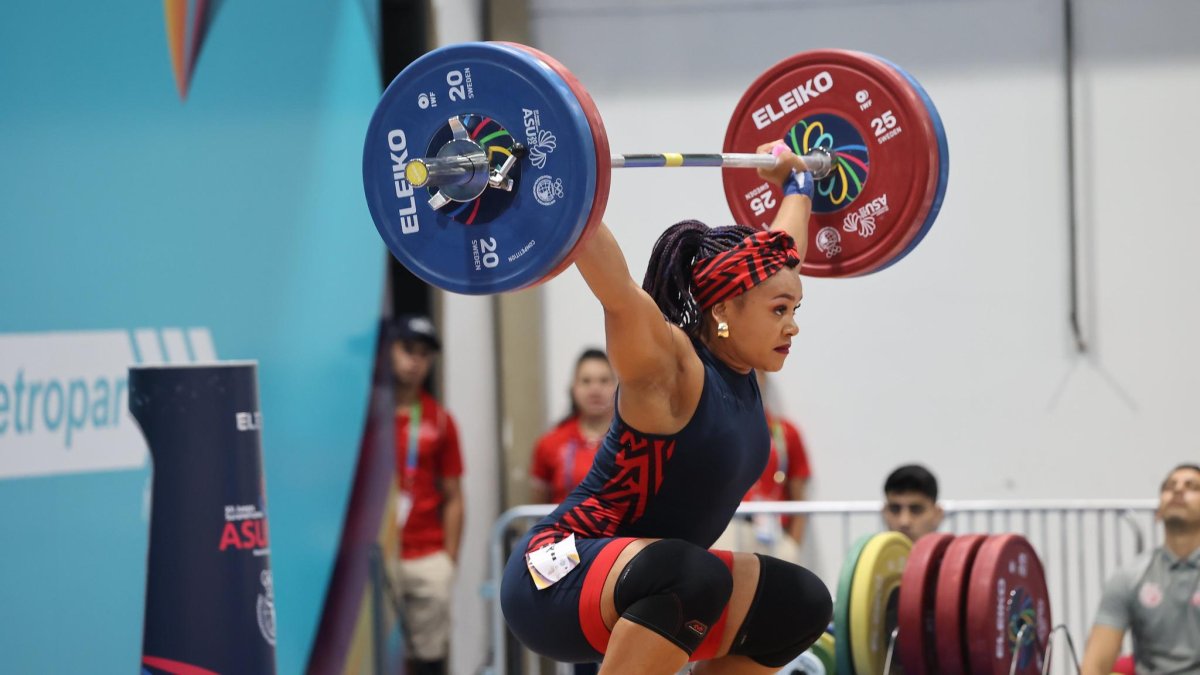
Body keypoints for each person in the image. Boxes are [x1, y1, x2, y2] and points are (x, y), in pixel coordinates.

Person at [501, 142, 832, 675]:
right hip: (556, 575)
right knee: (694, 575)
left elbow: (784, 247)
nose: (792, 325)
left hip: (651, 580)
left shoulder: (744, 368)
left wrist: (799, 183)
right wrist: (559, 181)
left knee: (799, 603)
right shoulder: (672, 368)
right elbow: (617, 292)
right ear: (723, 309)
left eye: (795, 308)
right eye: (779, 310)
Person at [388, 315, 464, 675]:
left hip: (426, 555)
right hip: (377, 555)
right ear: (389, 350)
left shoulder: (440, 420)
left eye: (424, 354)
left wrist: (448, 559)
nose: (415, 361)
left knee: (429, 657)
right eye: (407, 349)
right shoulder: (366, 418)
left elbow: (454, 495)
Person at [1081, 463, 1200, 675]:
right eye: (1170, 487)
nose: (1178, 490)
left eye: (1192, 487)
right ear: (1158, 513)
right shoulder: (1129, 577)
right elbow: (1094, 665)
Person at [714, 371, 812, 558]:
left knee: (785, 563)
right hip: (732, 527)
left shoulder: (787, 433)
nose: (752, 378)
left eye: (757, 372)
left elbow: (799, 497)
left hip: (775, 534)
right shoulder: (720, 429)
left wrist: (793, 546)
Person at [530, 349, 617, 504]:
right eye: (586, 381)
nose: (595, 390)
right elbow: (539, 507)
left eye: (604, 381)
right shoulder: (549, 443)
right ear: (573, 388)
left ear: (617, 387)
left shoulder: (632, 442)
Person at [881, 464, 943, 541]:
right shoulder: (870, 548)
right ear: (884, 512)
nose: (904, 522)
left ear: (937, 514)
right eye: (895, 509)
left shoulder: (952, 549)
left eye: (916, 510)